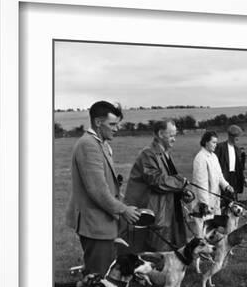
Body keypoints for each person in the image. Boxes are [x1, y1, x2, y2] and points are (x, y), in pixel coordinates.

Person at [65, 101, 140, 275]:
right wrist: (123, 210)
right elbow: (97, 190)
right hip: (94, 221)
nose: (117, 128)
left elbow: (105, 183)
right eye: (112, 124)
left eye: (117, 124)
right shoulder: (89, 145)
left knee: (105, 267)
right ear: (98, 123)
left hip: (101, 218)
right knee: (99, 273)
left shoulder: (100, 143)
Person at [123, 119, 188, 252]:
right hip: (154, 213)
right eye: (171, 135)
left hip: (166, 211)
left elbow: (170, 180)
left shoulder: (165, 154)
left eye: (175, 135)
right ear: (160, 134)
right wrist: (181, 182)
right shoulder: (148, 154)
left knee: (166, 251)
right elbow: (157, 181)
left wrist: (183, 191)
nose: (174, 139)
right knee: (154, 254)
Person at [192, 131, 235, 216]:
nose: (216, 145)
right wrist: (205, 204)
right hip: (204, 203)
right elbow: (201, 184)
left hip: (214, 199)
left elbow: (219, 175)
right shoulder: (200, 158)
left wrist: (226, 186)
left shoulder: (214, 156)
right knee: (204, 227)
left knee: (216, 227)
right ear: (206, 142)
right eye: (213, 142)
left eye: (216, 142)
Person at [215, 124, 245, 197]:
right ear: (231, 136)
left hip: (234, 178)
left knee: (234, 200)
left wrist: (244, 178)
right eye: (237, 137)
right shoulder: (220, 147)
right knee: (223, 200)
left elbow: (239, 167)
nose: (238, 139)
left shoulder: (238, 150)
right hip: (223, 177)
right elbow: (215, 164)